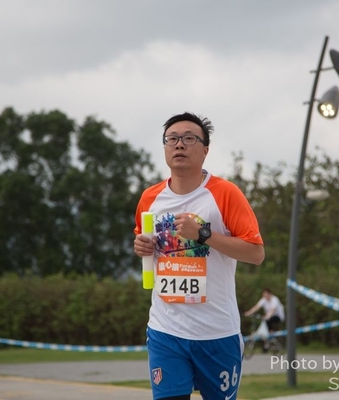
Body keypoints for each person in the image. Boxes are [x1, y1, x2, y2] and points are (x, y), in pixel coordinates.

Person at [134, 112, 265, 400]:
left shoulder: (225, 193)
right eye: (172, 138)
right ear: (165, 147)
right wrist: (142, 247)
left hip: (217, 333)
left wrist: (203, 234)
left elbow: (256, 253)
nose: (179, 144)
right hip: (166, 329)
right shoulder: (149, 198)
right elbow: (146, 245)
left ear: (205, 150)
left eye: (189, 138)